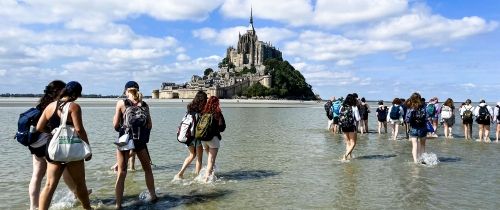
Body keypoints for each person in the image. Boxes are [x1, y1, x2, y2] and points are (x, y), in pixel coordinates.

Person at [28, 80, 84, 210]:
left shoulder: (48, 105)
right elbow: (79, 129)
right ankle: (83, 203)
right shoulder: (72, 106)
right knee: (76, 179)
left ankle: (34, 207)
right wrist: (86, 146)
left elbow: (39, 127)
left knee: (46, 182)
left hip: (44, 146)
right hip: (61, 146)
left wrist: (52, 132)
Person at [112, 81, 157, 208]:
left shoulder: (121, 103)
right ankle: (153, 196)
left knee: (121, 173)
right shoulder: (145, 105)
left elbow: (115, 125)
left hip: (124, 139)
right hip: (140, 141)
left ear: (126, 91)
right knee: (147, 170)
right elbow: (150, 125)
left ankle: (118, 204)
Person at [175, 91, 207, 179]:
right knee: (199, 158)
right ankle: (197, 176)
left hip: (187, 136)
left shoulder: (189, 109)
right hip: (195, 137)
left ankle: (180, 173)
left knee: (192, 155)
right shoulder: (200, 111)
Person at [200, 96, 226, 182]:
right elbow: (222, 127)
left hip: (203, 139)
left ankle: (210, 174)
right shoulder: (217, 113)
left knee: (209, 159)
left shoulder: (203, 112)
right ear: (217, 103)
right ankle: (207, 179)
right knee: (211, 160)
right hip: (213, 139)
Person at [405, 92, 428, 164]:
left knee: (414, 145)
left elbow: (407, 119)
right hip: (423, 127)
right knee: (422, 145)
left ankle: (415, 161)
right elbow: (427, 117)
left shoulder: (410, 107)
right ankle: (422, 159)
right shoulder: (423, 106)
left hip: (413, 128)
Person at [339, 94, 360, 160]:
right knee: (353, 143)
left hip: (343, 126)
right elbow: (358, 118)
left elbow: (340, 114)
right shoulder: (354, 107)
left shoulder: (342, 106)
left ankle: (349, 156)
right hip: (351, 126)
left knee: (348, 142)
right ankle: (345, 156)